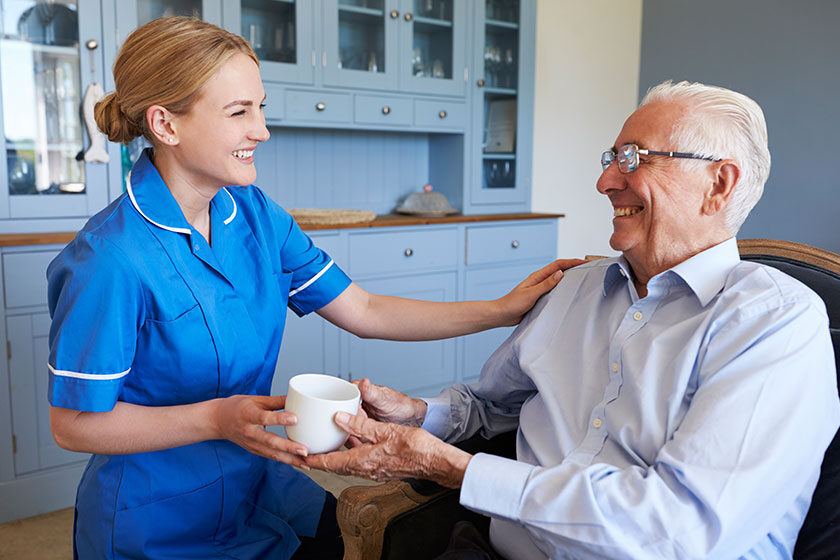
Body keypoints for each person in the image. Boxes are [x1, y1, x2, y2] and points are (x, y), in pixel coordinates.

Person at [46, 17, 581, 560]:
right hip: (158, 517)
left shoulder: (255, 217)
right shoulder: (108, 259)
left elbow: (367, 309)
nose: (262, 130)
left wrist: (499, 310)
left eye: (261, 107)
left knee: (342, 537)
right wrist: (214, 417)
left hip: (260, 481)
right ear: (165, 124)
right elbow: (72, 425)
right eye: (239, 112)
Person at [307, 81, 840, 559]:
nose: (605, 180)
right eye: (612, 156)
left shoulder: (774, 322)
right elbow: (495, 406)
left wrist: (454, 468)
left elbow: (680, 533)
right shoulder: (578, 287)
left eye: (634, 158)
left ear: (719, 184)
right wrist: (418, 414)